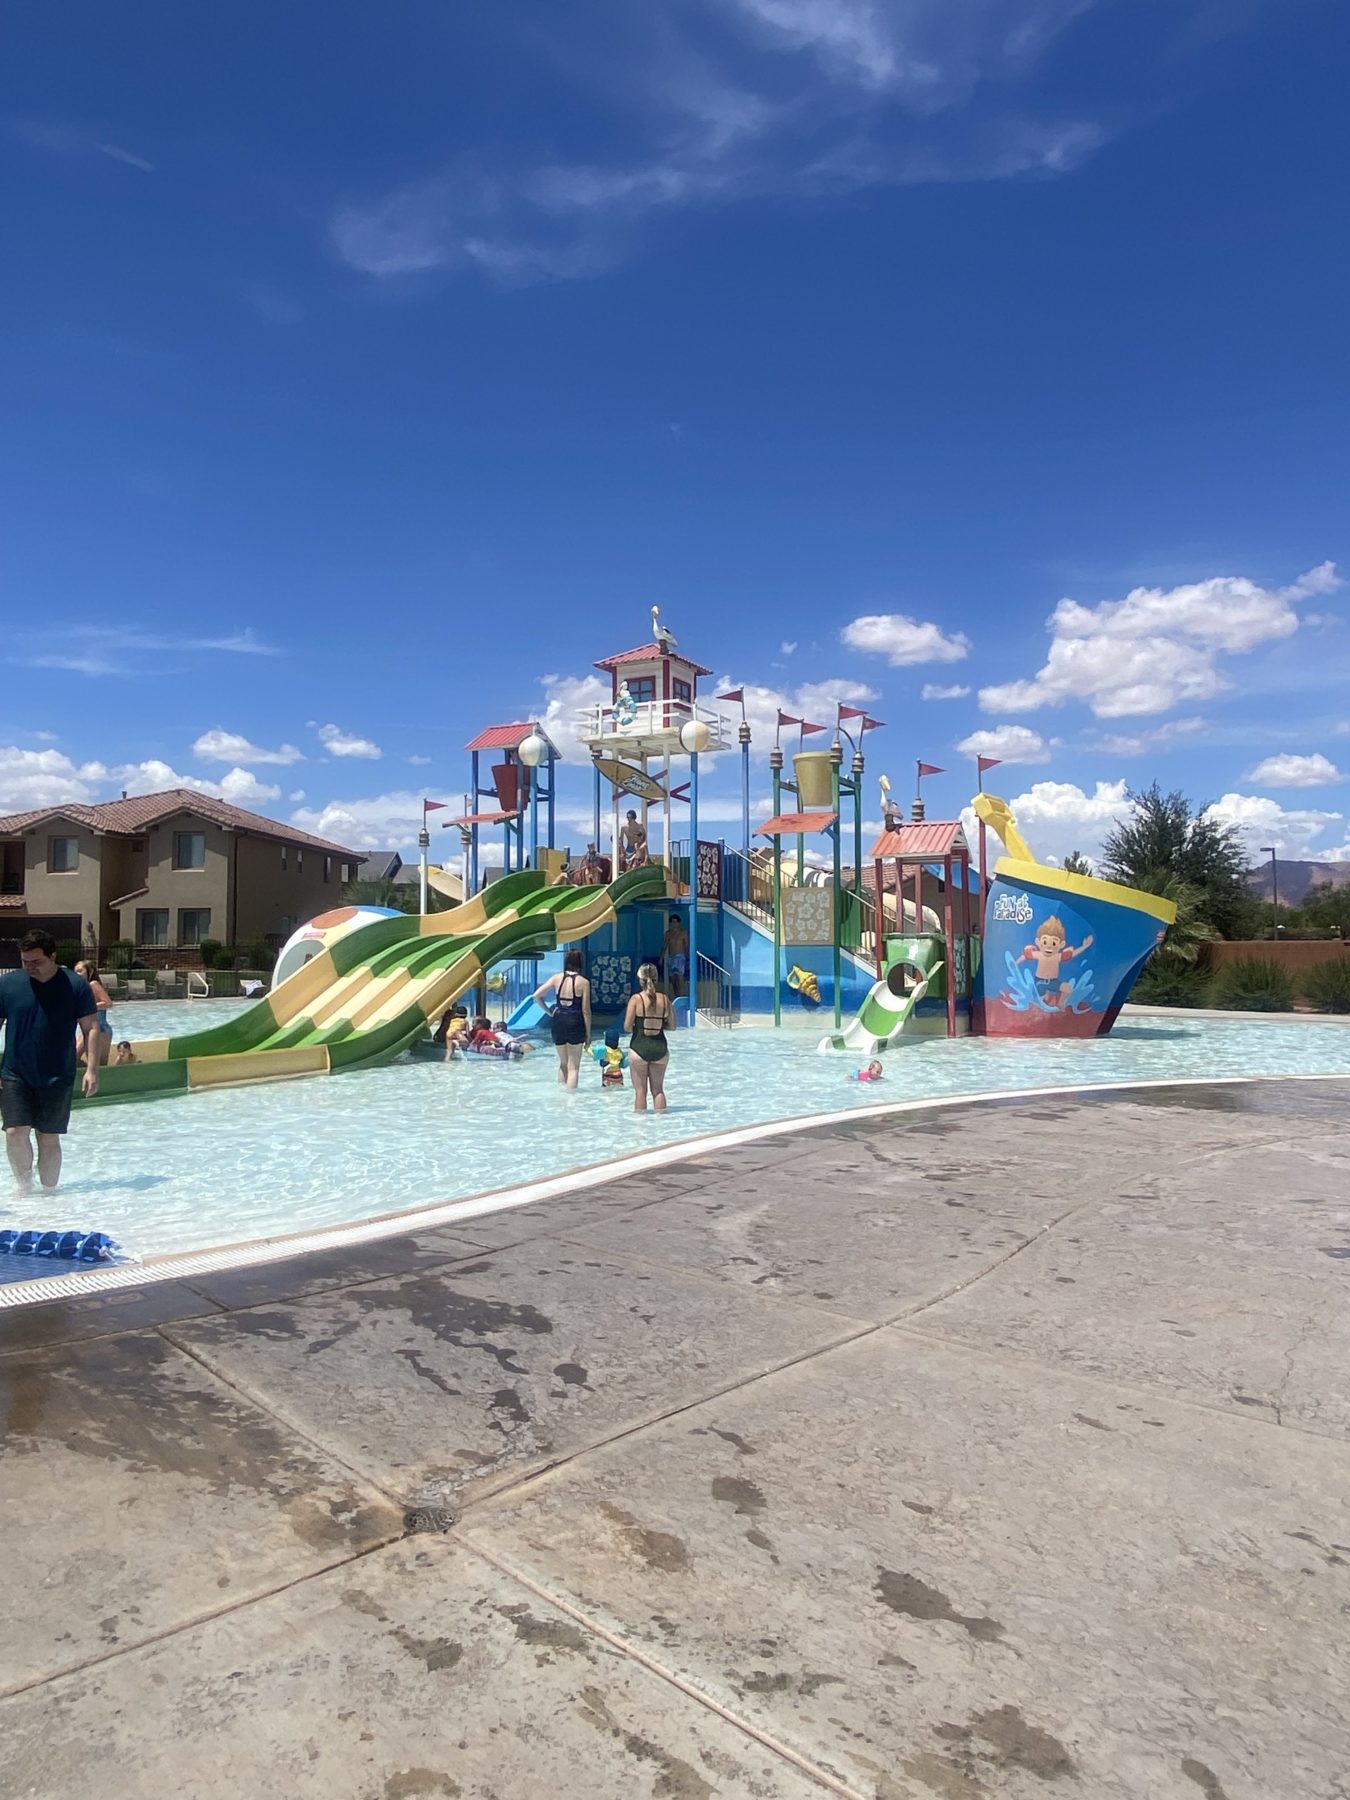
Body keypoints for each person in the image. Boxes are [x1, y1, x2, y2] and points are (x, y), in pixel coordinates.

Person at [0, 930, 99, 1192]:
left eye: (36, 961)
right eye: (25, 961)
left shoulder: (75, 985)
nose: (30, 967)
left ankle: (49, 1193)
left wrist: (91, 1069)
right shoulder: (8, 985)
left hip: (57, 1073)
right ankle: (24, 1188)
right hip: (15, 1072)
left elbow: (90, 1027)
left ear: (52, 956)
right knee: (14, 1132)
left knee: (47, 1137)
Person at [532, 949, 592, 1088]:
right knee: (574, 1067)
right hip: (575, 1021)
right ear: (580, 963)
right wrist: (588, 1033)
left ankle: (561, 1098)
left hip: (558, 1020)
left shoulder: (556, 978)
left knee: (563, 1064)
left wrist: (549, 1012)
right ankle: (571, 1101)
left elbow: (536, 996)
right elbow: (586, 1010)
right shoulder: (584, 982)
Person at [624, 961, 671, 1115]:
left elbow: (627, 1026)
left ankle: (641, 1128)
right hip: (660, 1048)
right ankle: (663, 1125)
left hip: (639, 1047)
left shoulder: (636, 999)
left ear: (640, 979)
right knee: (658, 1090)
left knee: (640, 1091)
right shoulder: (664, 999)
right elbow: (673, 1026)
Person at [74, 960, 113, 1065]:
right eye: (75, 971)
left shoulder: (93, 984)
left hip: (101, 1029)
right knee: (73, 1059)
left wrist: (90, 1007)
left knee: (100, 1064)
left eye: (80, 971)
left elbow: (108, 1003)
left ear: (90, 972)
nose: (77, 974)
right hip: (87, 1030)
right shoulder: (81, 989)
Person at [591, 1024, 627, 1089]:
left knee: (607, 1093)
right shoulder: (619, 1052)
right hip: (618, 1076)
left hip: (608, 1075)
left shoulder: (605, 1052)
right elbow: (622, 1064)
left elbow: (602, 1064)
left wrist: (587, 1048)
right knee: (619, 1090)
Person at [661, 913, 689, 1000]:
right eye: (672, 922)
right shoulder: (668, 933)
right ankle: (677, 997)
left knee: (680, 979)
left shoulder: (683, 933)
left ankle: (681, 997)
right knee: (673, 980)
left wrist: (688, 958)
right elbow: (665, 945)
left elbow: (686, 946)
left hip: (680, 957)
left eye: (676, 922)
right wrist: (661, 957)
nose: (674, 924)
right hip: (671, 957)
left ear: (679, 923)